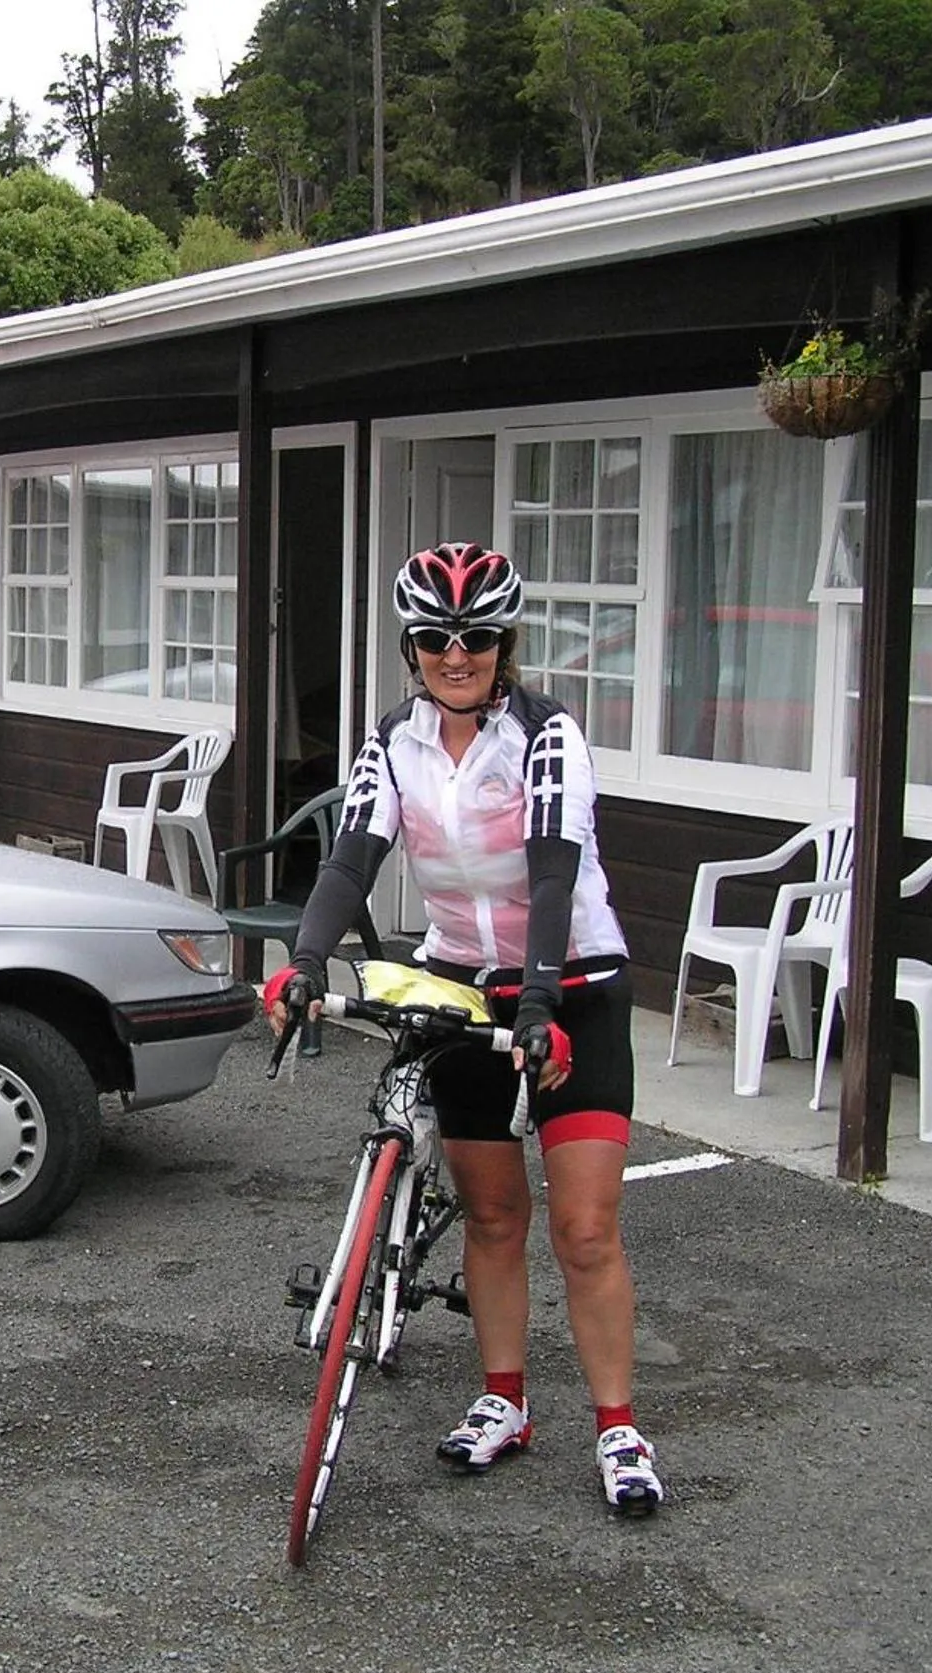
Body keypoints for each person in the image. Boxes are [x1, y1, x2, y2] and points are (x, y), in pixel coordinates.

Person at [266, 541, 662, 1518]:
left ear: (503, 643)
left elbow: (552, 870)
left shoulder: (545, 735)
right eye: (437, 637)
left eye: (477, 636)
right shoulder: (390, 742)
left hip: (570, 984)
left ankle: (616, 1424)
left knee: (583, 1228)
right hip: (463, 984)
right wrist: (305, 962)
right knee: (491, 1216)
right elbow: (349, 861)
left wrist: (536, 1003)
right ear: (410, 646)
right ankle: (504, 1400)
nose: (457, 653)